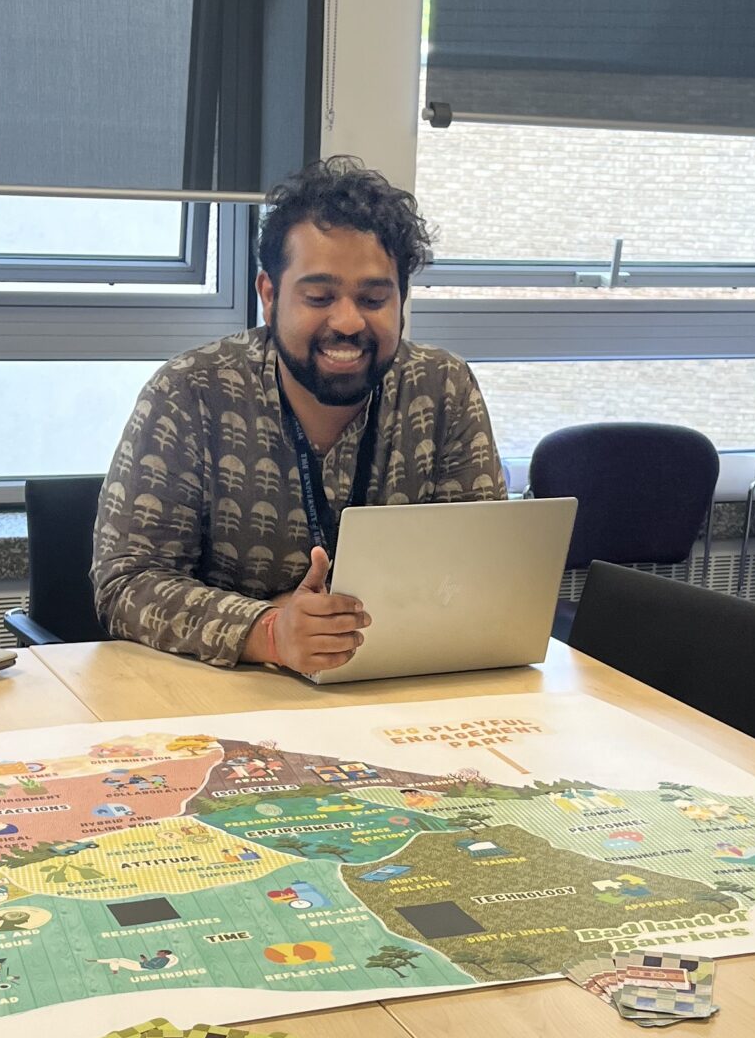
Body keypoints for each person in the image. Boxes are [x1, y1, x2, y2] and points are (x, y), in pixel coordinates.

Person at [93, 157, 505, 674]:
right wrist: (269, 631)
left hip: (397, 685)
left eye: (375, 298)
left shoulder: (443, 389)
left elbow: (484, 571)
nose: (349, 321)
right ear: (269, 295)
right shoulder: (191, 392)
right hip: (227, 699)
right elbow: (127, 583)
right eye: (319, 296)